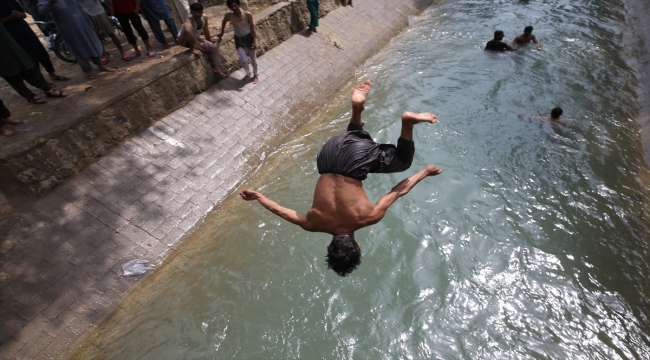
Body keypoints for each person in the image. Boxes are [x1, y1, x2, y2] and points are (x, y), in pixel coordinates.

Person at [240, 81, 443, 276]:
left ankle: (407, 122)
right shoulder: (312, 224)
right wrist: (258, 196)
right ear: (329, 245)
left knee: (402, 162)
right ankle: (356, 110)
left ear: (358, 245)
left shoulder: (369, 217)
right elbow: (279, 210)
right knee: (353, 141)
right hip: (327, 156)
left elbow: (398, 190)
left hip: (355, 159)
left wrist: (424, 172)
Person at [38, 0, 115, 78]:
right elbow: (42, 11)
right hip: (67, 27)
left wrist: (90, 23)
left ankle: (100, 66)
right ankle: (88, 71)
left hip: (83, 23)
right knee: (77, 48)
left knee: (92, 43)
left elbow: (80, 8)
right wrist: (50, 3)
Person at [0, 0, 70, 81]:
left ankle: (52, 74)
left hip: (24, 29)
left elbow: (24, 14)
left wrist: (20, 15)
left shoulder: (11, 1)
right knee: (29, 56)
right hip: (11, 33)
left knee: (40, 51)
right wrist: (10, 18)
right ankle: (41, 80)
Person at [0, 22, 68, 104]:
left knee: (27, 66)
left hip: (8, 42)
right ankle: (29, 95)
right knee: (10, 73)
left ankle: (47, 89)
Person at [177, 2, 226, 76]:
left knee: (211, 45)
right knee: (212, 47)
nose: (197, 14)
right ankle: (217, 68)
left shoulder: (204, 17)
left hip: (195, 37)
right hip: (184, 39)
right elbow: (187, 32)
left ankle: (216, 67)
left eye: (199, 12)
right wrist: (194, 46)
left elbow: (206, 30)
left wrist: (209, 39)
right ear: (191, 12)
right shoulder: (189, 21)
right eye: (195, 12)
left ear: (202, 12)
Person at [217, 0, 258, 83]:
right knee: (244, 60)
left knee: (253, 58)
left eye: (235, 5)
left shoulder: (247, 14)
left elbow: (253, 28)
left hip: (248, 37)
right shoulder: (229, 15)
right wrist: (221, 32)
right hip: (238, 39)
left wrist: (254, 40)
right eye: (232, 7)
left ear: (239, 5)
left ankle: (256, 74)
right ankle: (247, 73)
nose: (234, 8)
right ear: (229, 8)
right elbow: (224, 21)